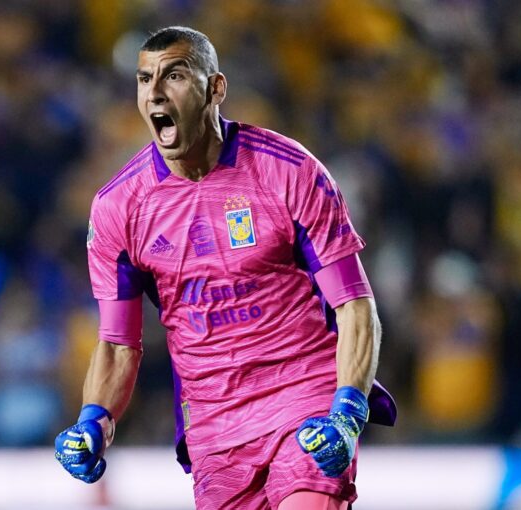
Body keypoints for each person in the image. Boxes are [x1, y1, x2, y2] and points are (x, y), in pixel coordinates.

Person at [55, 26, 396, 510]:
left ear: (215, 88)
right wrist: (95, 419)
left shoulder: (288, 171)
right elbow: (117, 342)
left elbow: (355, 305)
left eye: (173, 75)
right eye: (144, 78)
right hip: (215, 427)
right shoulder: (119, 207)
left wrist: (347, 410)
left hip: (303, 400)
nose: (154, 92)